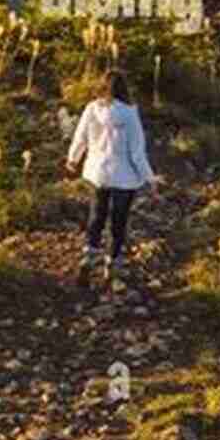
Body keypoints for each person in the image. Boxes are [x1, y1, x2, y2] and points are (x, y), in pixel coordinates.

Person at [65, 70, 159, 288]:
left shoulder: (92, 109)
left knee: (97, 215)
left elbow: (80, 137)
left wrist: (73, 159)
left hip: (98, 172)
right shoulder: (129, 113)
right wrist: (150, 178)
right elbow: (136, 152)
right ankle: (112, 266)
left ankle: (88, 258)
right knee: (118, 221)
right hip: (124, 176)